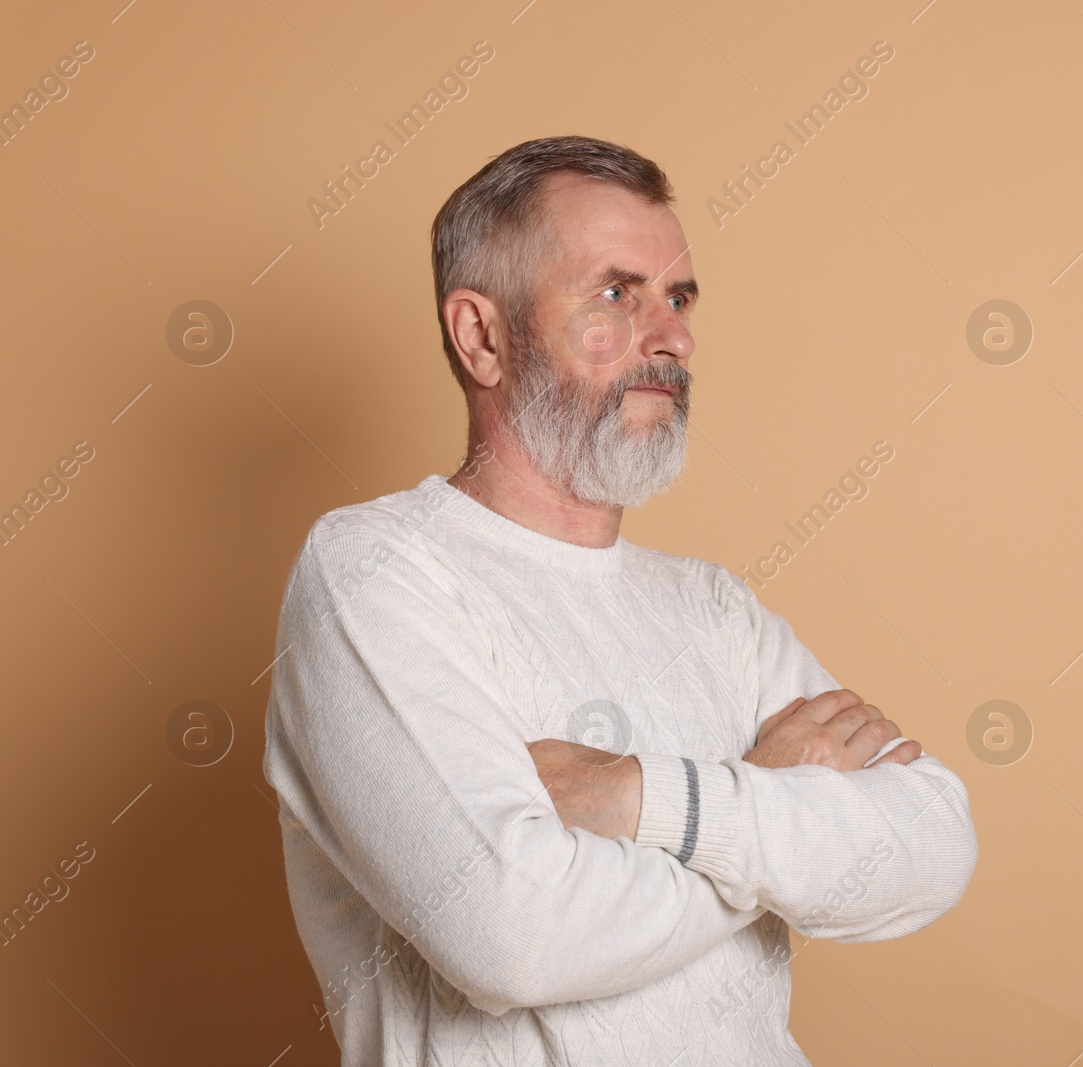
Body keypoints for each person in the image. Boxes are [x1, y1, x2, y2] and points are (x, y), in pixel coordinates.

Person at [262, 134, 978, 1066]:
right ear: (481, 335)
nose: (672, 335)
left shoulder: (715, 608)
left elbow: (930, 844)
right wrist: (765, 807)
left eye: (678, 298)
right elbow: (513, 934)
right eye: (616, 292)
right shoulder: (373, 573)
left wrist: (640, 797)